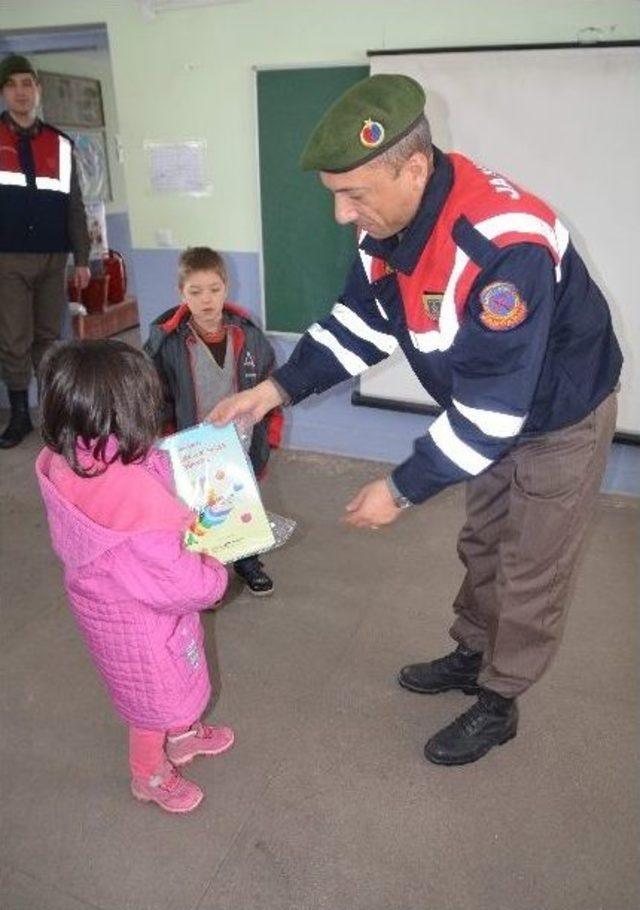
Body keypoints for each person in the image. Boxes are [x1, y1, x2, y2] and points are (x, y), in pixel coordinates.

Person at [211, 74, 623, 767]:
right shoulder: (388, 227)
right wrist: (274, 390)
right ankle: (471, 653)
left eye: (354, 195)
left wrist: (399, 489)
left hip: (559, 419)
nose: (343, 216)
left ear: (415, 168)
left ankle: (500, 699)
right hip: (487, 409)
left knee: (530, 566)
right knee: (484, 538)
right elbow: (357, 325)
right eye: (335, 195)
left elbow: (494, 415)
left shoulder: (500, 249)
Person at [35, 340, 234, 813]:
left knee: (178, 674)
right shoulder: (138, 521)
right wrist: (216, 569)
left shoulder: (78, 453)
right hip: (142, 625)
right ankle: (150, 773)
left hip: (121, 608)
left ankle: (183, 733)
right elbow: (185, 583)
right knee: (151, 704)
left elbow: (141, 462)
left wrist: (180, 456)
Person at [144, 246, 283, 597]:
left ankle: (247, 560)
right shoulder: (166, 342)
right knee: (198, 511)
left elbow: (271, 386)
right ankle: (205, 576)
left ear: (226, 287)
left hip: (241, 441)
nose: (206, 300)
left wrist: (272, 434)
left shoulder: (248, 335)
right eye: (195, 292)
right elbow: (154, 396)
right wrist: (164, 440)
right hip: (192, 444)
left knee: (242, 499)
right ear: (181, 293)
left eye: (214, 290)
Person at [0, 54, 91, 449]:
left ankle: (53, 414)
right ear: (4, 91)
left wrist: (83, 258)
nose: (21, 92)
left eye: (28, 83)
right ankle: (20, 414)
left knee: (49, 339)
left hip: (54, 258)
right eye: (13, 84)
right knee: (14, 339)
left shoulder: (60, 143)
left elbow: (75, 206)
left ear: (37, 89)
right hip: (8, 259)